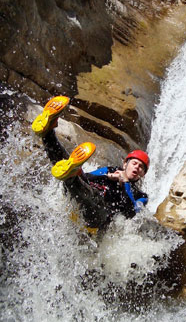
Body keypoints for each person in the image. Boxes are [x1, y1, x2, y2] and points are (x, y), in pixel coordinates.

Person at [31, 96, 149, 234]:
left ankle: (51, 140)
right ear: (125, 164)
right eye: (134, 163)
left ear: (143, 174)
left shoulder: (141, 196)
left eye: (141, 167)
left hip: (96, 218)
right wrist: (108, 176)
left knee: (85, 189)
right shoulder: (110, 170)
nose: (136, 167)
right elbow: (87, 177)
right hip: (78, 197)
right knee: (71, 170)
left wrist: (126, 184)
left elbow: (132, 213)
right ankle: (48, 132)